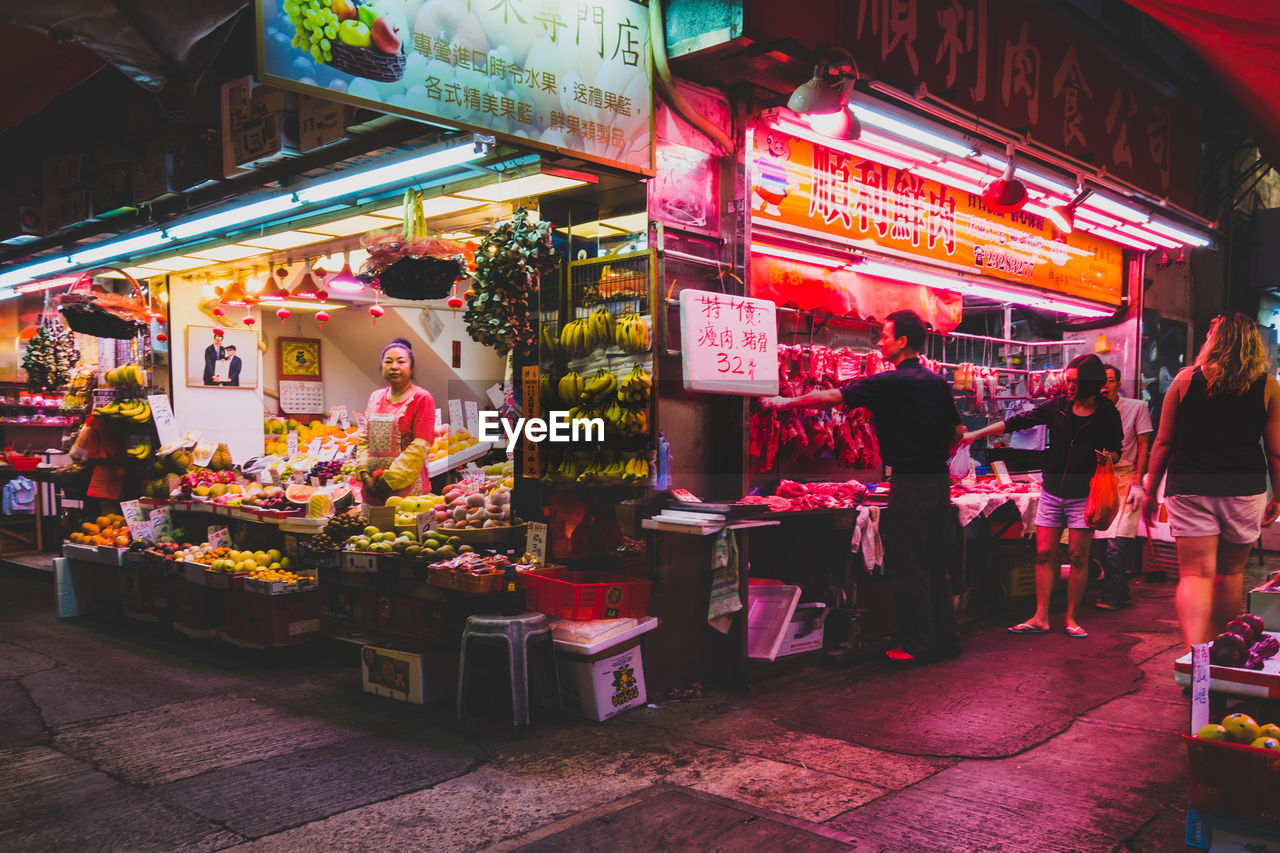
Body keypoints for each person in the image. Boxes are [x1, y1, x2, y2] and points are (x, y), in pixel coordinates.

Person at [760, 310, 964, 663]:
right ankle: (945, 640)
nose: (879, 342)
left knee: (908, 564)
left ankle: (917, 645)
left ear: (902, 341)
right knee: (935, 561)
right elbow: (958, 433)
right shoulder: (936, 382)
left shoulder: (891, 381)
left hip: (910, 481)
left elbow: (833, 397)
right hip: (938, 481)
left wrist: (784, 402)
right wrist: (934, 453)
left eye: (884, 336)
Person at [1141, 313, 1280, 647]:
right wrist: (1279, 494)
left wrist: (1149, 491)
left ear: (1213, 340)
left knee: (1194, 574)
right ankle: (1220, 650)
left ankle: (1196, 653)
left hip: (1189, 487)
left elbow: (1163, 441)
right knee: (1229, 573)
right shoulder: (1268, 385)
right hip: (1243, 490)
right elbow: (1276, 451)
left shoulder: (1185, 380)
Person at [963, 353, 1122, 639]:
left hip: (1084, 494)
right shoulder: (1058, 406)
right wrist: (977, 434)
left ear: (1090, 383)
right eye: (1068, 380)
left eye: (1074, 381)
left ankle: (1072, 617)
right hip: (1051, 491)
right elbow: (1018, 422)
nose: (1069, 386)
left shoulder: (1107, 413)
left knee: (1077, 556)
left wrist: (1108, 456)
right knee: (1044, 553)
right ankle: (1040, 617)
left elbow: (1117, 448)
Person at [1094, 363, 1154, 610]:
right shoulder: (1090, 409)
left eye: (1109, 380)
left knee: (1117, 539)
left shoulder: (1136, 407)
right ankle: (1118, 588)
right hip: (1097, 481)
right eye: (1101, 381)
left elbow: (1143, 446)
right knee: (1097, 539)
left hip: (1126, 478)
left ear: (1119, 383)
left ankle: (1112, 593)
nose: (1104, 385)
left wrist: (1139, 482)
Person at [359, 337, 436, 505]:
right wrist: (364, 475)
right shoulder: (375, 396)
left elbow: (420, 445)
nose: (394, 366)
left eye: (401, 362)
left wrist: (389, 480)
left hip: (406, 491)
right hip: (372, 489)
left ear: (412, 368)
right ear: (381, 367)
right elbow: (365, 440)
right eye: (388, 362)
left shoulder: (422, 398)